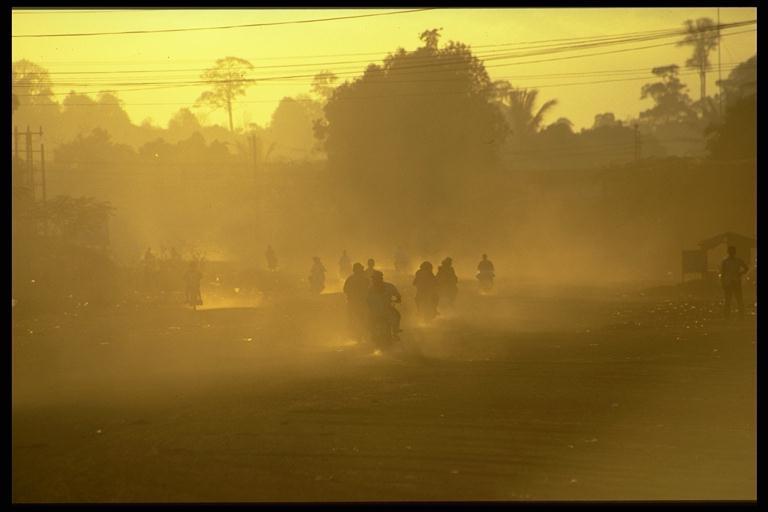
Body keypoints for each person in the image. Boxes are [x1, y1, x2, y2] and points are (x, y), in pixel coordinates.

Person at [367, 270, 402, 341]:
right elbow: (367, 300)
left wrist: (397, 299)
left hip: (383, 310)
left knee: (397, 316)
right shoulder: (371, 288)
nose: (375, 280)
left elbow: (397, 295)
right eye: (374, 279)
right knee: (397, 316)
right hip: (379, 311)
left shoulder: (388, 286)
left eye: (376, 278)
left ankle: (395, 332)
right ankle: (395, 333)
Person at [343, 262, 370, 340]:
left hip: (354, 302)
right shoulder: (364, 279)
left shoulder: (351, 279)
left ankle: (357, 334)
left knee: (353, 319)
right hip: (360, 302)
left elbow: (345, 290)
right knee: (362, 318)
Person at [721, 246, 748, 319]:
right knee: (729, 300)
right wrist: (723, 282)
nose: (731, 253)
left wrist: (740, 273)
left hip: (734, 282)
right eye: (730, 251)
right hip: (729, 282)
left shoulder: (736, 260)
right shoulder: (726, 261)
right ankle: (727, 316)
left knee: (738, 299)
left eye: (732, 251)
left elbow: (746, 268)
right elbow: (722, 273)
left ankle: (740, 315)